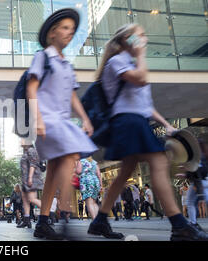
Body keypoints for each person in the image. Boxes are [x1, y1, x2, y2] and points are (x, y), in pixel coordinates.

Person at [87, 23, 207, 241]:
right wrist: (141, 54)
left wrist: (167, 124)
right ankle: (179, 225)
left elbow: (145, 105)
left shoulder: (130, 62)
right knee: (159, 163)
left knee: (124, 173)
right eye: (139, 36)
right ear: (126, 39)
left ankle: (100, 221)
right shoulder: (117, 62)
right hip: (127, 121)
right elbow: (140, 78)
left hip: (135, 120)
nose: (144, 39)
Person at [26, 8, 97, 240]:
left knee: (55, 171)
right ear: (52, 33)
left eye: (72, 30)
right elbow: (31, 88)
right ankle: (66, 217)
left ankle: (43, 223)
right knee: (70, 156)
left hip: (63, 122)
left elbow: (72, 97)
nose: (70, 33)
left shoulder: (66, 64)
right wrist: (37, 119)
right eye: (65, 28)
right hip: (47, 121)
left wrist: (85, 118)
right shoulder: (43, 56)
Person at [175, 139, 208, 231]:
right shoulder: (204, 155)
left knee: (190, 202)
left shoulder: (197, 156)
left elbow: (196, 171)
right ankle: (193, 222)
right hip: (205, 181)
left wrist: (185, 174)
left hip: (199, 182)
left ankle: (193, 222)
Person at [17, 143, 43, 229]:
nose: (21, 141)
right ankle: (26, 220)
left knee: (32, 199)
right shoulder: (26, 152)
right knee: (25, 200)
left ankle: (49, 212)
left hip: (31, 179)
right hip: (25, 180)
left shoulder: (31, 150)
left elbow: (33, 164)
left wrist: (30, 178)